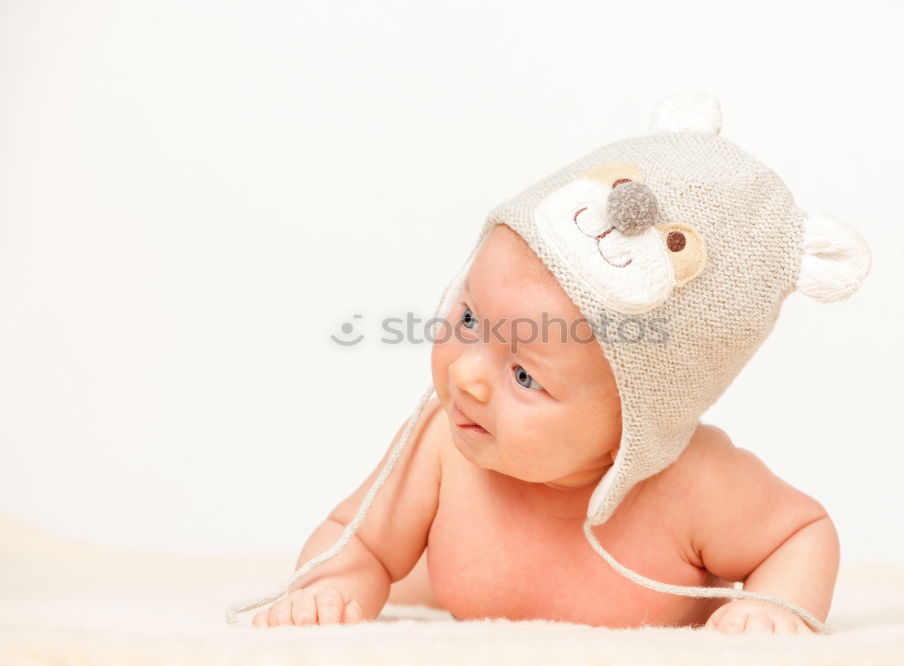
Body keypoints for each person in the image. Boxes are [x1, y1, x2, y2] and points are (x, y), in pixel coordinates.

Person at [227, 91, 870, 634]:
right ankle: (420, 579)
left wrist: (774, 606)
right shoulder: (441, 451)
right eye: (471, 319)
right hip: (442, 579)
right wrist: (336, 590)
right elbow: (357, 537)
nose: (467, 376)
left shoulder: (696, 485)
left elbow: (802, 532)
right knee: (403, 569)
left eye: (525, 375)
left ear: (638, 421)